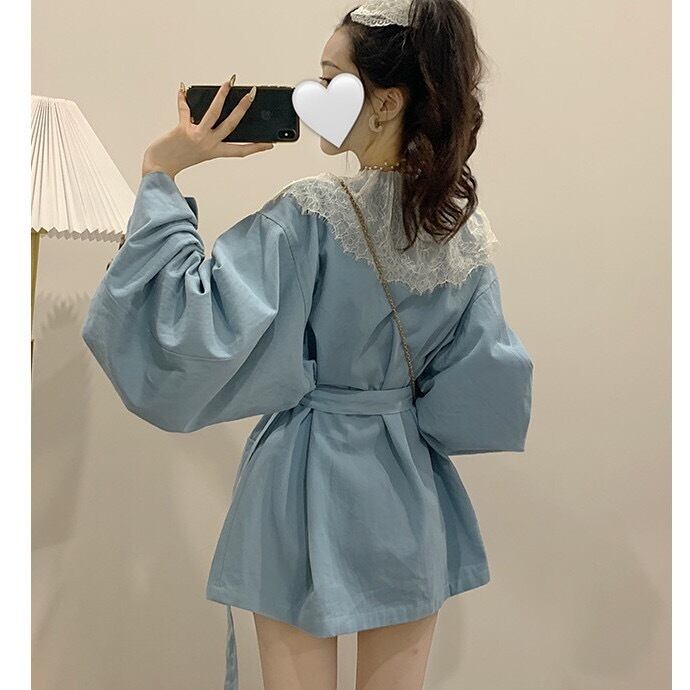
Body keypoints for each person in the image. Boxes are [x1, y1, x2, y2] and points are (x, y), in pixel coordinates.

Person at [81, 0, 534, 688]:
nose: (309, 96)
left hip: (300, 481)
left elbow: (193, 324)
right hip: (406, 488)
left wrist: (160, 171)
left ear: (385, 104)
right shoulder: (463, 235)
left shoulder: (309, 214)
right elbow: (478, 395)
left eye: (328, 79)